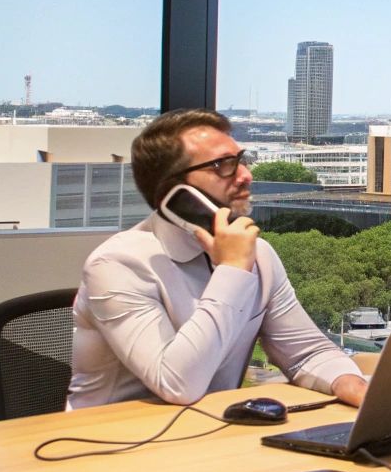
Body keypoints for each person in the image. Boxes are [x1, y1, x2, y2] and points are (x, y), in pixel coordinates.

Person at [67, 109, 368, 409]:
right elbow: (177, 385)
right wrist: (233, 270)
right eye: (223, 165)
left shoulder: (259, 255)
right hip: (108, 442)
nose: (246, 175)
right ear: (177, 191)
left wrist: (353, 386)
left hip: (211, 435)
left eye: (241, 161)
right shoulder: (117, 264)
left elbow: (307, 353)